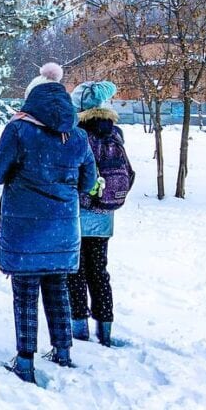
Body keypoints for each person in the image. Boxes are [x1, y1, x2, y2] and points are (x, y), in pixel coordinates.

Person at [0, 63, 97, 384]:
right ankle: (63, 351)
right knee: (57, 289)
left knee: (25, 293)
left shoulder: (19, 129)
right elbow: (89, 180)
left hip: (25, 229)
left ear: (31, 98)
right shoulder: (76, 135)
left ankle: (25, 361)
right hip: (62, 229)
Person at [69, 81, 135, 347]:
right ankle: (105, 327)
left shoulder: (75, 133)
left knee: (76, 271)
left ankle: (79, 326)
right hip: (104, 215)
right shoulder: (115, 132)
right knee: (99, 270)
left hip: (77, 214)